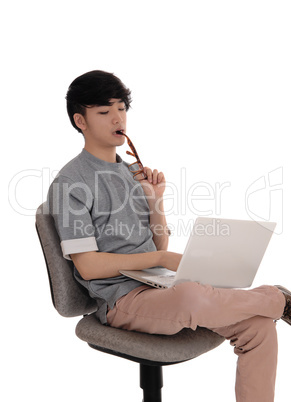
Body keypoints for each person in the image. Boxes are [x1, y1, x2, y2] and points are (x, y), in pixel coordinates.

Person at [47, 70, 291, 402]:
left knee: (259, 327)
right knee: (192, 296)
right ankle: (276, 298)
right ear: (81, 121)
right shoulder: (69, 183)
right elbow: (88, 267)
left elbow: (158, 244)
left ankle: (271, 303)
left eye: (121, 108)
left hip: (160, 286)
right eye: (104, 112)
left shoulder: (131, 172)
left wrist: (154, 199)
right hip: (121, 301)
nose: (117, 117)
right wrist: (161, 259)